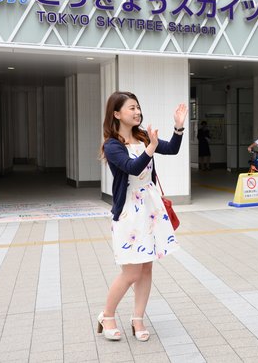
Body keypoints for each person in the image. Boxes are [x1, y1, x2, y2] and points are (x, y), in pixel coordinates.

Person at [99, 91, 187, 342]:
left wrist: (178, 128)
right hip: (129, 212)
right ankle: (107, 316)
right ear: (116, 114)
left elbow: (170, 150)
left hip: (150, 209)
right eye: (131, 108)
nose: (137, 112)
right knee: (131, 272)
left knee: (146, 268)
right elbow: (131, 168)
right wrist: (150, 147)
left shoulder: (142, 135)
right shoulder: (112, 144)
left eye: (138, 107)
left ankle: (138, 318)